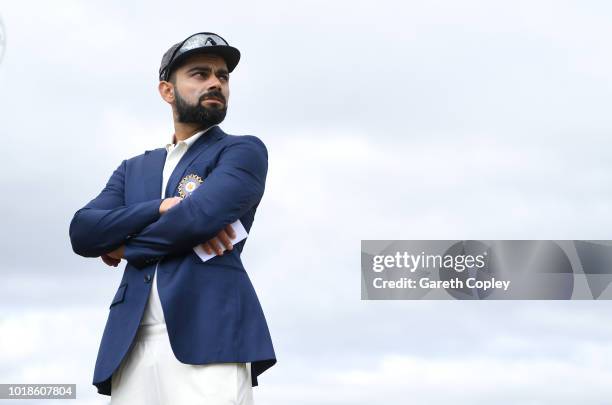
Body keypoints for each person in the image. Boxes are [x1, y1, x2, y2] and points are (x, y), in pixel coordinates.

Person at [69, 32, 276, 405]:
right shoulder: (134, 169)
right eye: (200, 74)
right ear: (167, 91)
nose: (215, 82)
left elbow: (198, 218)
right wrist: (157, 208)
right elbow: (83, 231)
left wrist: (122, 245)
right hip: (130, 346)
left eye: (223, 76)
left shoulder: (242, 151)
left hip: (212, 337)